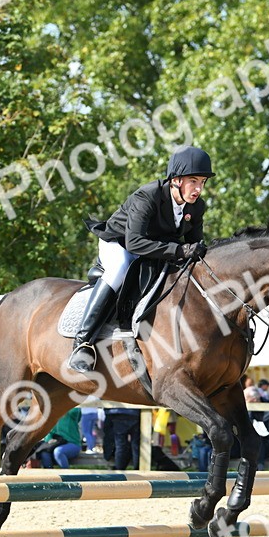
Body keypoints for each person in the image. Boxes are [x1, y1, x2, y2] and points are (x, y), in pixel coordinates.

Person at [69, 145, 213, 372]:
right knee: (120, 268)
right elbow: (135, 242)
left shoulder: (196, 207)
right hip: (120, 243)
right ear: (176, 179)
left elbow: (193, 247)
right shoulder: (148, 196)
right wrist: (179, 251)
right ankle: (83, 341)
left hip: (155, 248)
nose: (198, 189)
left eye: (202, 182)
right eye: (193, 181)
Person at [105, 407, 141, 471]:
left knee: (120, 444)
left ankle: (119, 468)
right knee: (136, 444)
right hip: (134, 412)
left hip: (116, 412)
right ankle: (138, 468)